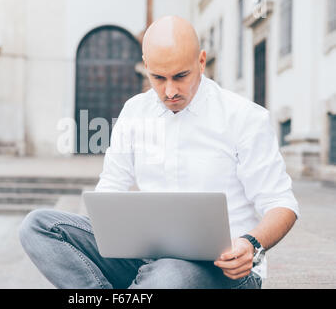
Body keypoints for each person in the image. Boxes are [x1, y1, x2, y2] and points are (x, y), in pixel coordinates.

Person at [19, 15, 300, 289]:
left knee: (169, 276)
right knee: (38, 226)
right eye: (158, 77)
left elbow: (282, 204)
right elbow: (111, 187)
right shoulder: (134, 112)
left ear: (201, 62)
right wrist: (108, 231)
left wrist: (250, 244)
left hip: (225, 270)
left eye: (180, 76)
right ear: (145, 67)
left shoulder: (244, 118)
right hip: (147, 258)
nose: (169, 91)